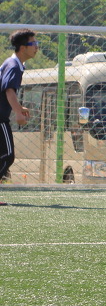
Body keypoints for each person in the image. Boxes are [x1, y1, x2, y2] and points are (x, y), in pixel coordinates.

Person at [1, 30, 39, 204]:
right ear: (23, 48)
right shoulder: (14, 66)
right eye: (33, 44)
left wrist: (18, 107)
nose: (36, 47)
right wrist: (17, 112)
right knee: (7, 155)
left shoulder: (13, 64)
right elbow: (9, 90)